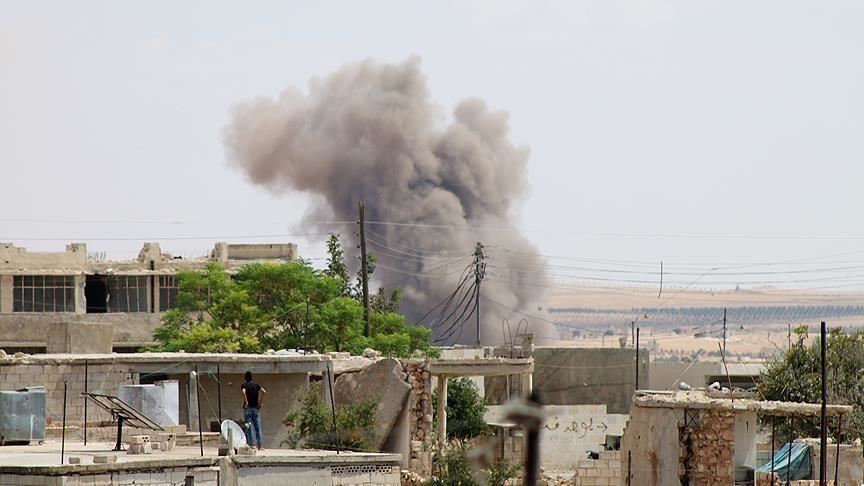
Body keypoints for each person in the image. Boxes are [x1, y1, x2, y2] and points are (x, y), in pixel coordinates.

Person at [241, 371, 267, 449]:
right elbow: (264, 392)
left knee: (249, 426)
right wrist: (260, 403)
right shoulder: (256, 385)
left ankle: (252, 445)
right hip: (256, 408)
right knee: (257, 427)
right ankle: (260, 445)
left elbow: (243, 392)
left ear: (245, 378)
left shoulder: (244, 385)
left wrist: (246, 402)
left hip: (248, 409)